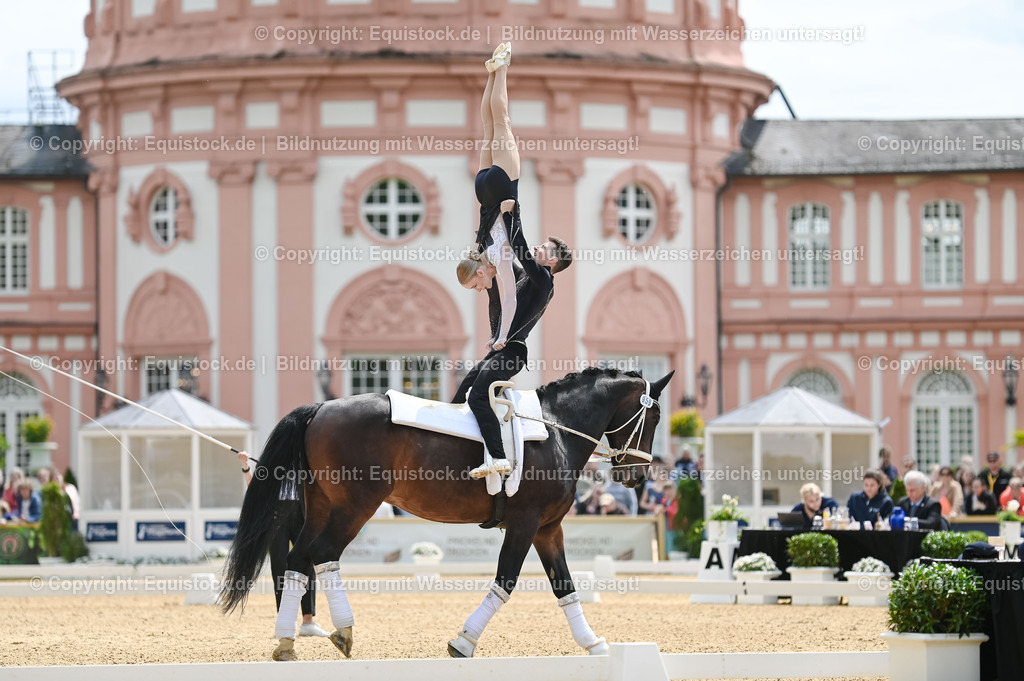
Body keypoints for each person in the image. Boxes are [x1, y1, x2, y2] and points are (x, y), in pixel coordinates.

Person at [237, 451, 329, 638]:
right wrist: (245, 465)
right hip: (276, 518)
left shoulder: (303, 462)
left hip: (301, 517)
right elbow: (254, 489)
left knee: (307, 565)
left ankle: (308, 620)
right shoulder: (269, 464)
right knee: (279, 567)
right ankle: (284, 619)